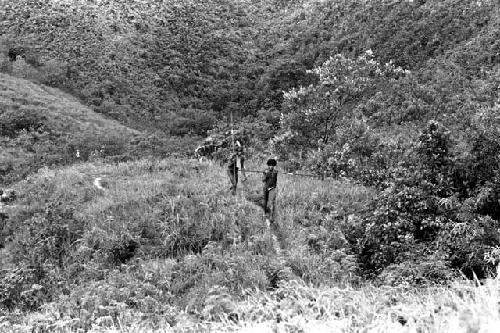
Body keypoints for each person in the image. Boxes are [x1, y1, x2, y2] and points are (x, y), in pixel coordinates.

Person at [263, 158, 278, 223]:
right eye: (270, 165)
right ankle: (265, 213)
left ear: (274, 165)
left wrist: (269, 173)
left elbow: (274, 176)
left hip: (272, 188)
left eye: (272, 165)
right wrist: (266, 174)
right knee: (265, 201)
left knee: (271, 202)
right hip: (266, 188)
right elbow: (263, 180)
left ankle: (271, 217)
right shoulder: (265, 171)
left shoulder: (275, 171)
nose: (271, 166)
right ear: (268, 165)